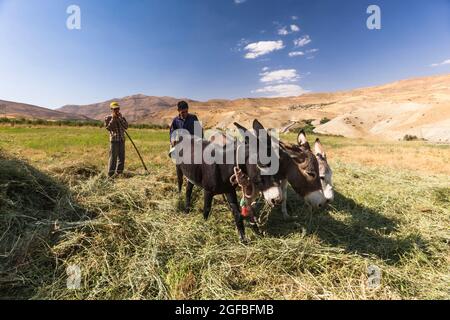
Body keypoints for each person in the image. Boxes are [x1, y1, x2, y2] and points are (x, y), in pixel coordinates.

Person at [105, 102, 128, 177]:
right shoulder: (108, 118)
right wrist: (113, 119)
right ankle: (110, 175)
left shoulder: (122, 117)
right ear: (111, 109)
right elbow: (109, 128)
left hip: (121, 140)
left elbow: (126, 126)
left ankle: (119, 173)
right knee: (113, 158)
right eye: (115, 109)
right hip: (114, 140)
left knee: (121, 157)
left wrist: (120, 119)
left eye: (117, 108)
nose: (116, 110)